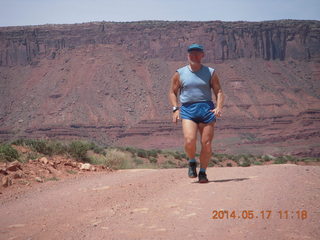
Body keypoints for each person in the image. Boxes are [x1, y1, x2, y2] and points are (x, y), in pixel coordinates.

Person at [168, 43, 224, 183]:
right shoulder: (179, 73)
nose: (194, 56)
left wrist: (218, 107)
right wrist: (175, 109)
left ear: (202, 55)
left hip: (206, 109)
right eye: (191, 54)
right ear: (188, 55)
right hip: (188, 110)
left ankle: (203, 172)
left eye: (197, 53)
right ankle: (192, 161)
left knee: (206, 143)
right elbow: (172, 92)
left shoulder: (210, 72)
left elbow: (219, 91)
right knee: (189, 140)